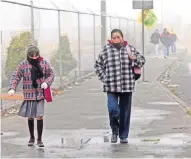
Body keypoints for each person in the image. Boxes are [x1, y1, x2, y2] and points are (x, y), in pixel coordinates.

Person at [94, 29, 145, 144]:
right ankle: (115, 131)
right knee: (113, 109)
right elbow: (98, 66)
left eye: (118, 37)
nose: (116, 39)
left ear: (122, 37)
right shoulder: (106, 51)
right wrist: (104, 78)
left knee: (125, 113)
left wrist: (134, 59)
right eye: (114, 38)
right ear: (111, 39)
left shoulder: (130, 49)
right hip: (111, 86)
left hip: (127, 86)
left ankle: (123, 136)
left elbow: (142, 61)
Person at [8, 45, 54, 147]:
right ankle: (32, 137)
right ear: (28, 55)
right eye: (32, 55)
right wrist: (12, 88)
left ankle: (40, 139)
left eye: (36, 55)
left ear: (38, 54)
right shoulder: (23, 65)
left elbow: (51, 74)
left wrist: (46, 83)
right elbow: (16, 76)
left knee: (39, 116)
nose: (34, 58)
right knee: (30, 116)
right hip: (29, 94)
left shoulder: (43, 63)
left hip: (40, 94)